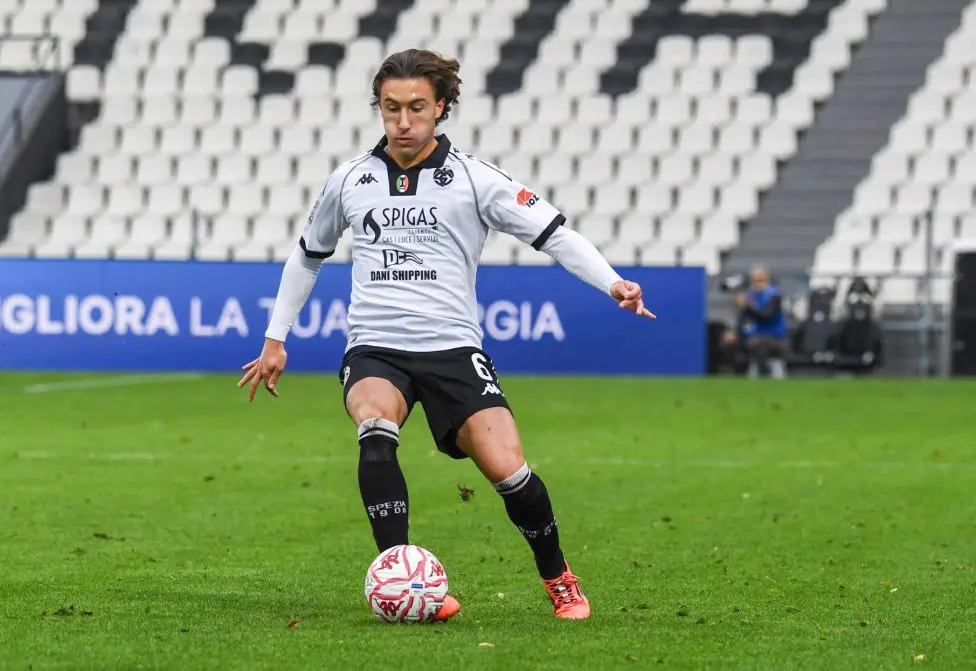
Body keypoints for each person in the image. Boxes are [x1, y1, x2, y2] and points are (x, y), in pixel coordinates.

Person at [238, 49, 655, 621]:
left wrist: (612, 283)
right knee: (374, 425)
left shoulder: (475, 179)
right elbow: (308, 254)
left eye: (416, 107)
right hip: (376, 346)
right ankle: (404, 580)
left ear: (440, 108)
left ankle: (558, 577)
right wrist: (275, 338)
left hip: (453, 348)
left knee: (509, 471)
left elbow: (555, 234)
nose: (403, 121)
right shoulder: (351, 179)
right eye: (391, 108)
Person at [735, 266, 788, 378]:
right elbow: (744, 320)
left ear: (767, 280)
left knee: (758, 345)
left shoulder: (775, 295)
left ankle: (766, 372)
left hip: (773, 336)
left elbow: (767, 316)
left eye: (761, 280)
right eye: (755, 281)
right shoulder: (751, 295)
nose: (757, 284)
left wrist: (747, 306)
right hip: (755, 335)